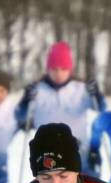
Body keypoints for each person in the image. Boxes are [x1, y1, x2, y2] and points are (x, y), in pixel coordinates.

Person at [15, 41, 105, 173]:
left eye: (63, 69)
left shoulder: (80, 89)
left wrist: (97, 95)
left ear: (70, 70)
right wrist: (25, 101)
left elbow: (100, 110)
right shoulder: (38, 90)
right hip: (48, 153)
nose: (59, 74)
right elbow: (21, 118)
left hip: (78, 150)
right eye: (54, 69)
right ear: (48, 69)